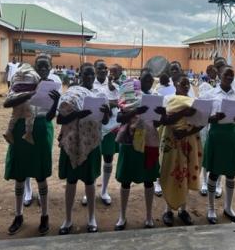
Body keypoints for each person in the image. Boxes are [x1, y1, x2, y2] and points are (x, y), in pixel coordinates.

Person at [3, 53, 61, 236]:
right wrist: (29, 93)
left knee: (41, 174)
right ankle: (18, 215)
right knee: (20, 174)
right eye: (40, 66)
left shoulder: (53, 85)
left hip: (42, 128)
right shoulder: (22, 80)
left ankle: (45, 216)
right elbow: (7, 102)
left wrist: (56, 101)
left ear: (51, 67)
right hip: (21, 128)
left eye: (46, 66)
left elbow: (51, 117)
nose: (43, 69)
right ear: (34, 67)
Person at [57, 63, 110, 234]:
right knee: (71, 182)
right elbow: (60, 119)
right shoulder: (71, 93)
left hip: (91, 144)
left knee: (90, 182)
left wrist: (106, 113)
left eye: (92, 75)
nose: (89, 78)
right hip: (72, 142)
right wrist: (77, 115)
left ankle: (91, 218)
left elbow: (105, 122)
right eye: (86, 74)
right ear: (80, 75)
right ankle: (67, 219)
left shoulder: (99, 95)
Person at [113, 71, 161, 230]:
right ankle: (122, 216)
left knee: (149, 180)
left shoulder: (156, 98)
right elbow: (120, 119)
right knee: (126, 181)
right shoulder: (130, 97)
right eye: (145, 79)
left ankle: (149, 216)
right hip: (129, 142)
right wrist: (135, 112)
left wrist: (161, 115)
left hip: (149, 142)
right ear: (140, 81)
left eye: (150, 80)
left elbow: (158, 123)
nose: (148, 82)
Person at [202, 66, 235, 224]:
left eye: (231, 75)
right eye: (226, 75)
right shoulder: (210, 94)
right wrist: (213, 118)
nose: (229, 77)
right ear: (219, 75)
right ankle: (211, 208)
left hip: (232, 137)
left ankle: (228, 208)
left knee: (231, 173)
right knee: (214, 173)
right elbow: (203, 117)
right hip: (216, 135)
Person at [158, 74, 203, 227]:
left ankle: (183, 210)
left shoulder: (194, 101)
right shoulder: (167, 99)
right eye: (182, 83)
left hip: (189, 140)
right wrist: (183, 113)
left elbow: (202, 122)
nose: (185, 86)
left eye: (187, 84)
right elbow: (164, 121)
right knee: (171, 172)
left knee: (187, 173)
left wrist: (186, 133)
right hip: (172, 140)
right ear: (175, 84)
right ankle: (168, 210)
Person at [81, 59, 119, 206]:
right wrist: (108, 103)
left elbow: (118, 102)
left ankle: (104, 190)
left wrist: (109, 103)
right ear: (95, 70)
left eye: (105, 68)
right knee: (91, 160)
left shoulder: (113, 85)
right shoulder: (90, 83)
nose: (103, 71)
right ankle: (87, 191)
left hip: (109, 127)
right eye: (100, 68)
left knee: (108, 158)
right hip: (93, 128)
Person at [198, 64, 223, 198]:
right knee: (206, 153)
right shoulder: (204, 84)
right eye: (211, 72)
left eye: (215, 71)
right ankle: (204, 182)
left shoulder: (222, 85)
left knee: (219, 155)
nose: (213, 73)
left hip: (219, 124)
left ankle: (219, 183)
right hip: (207, 123)